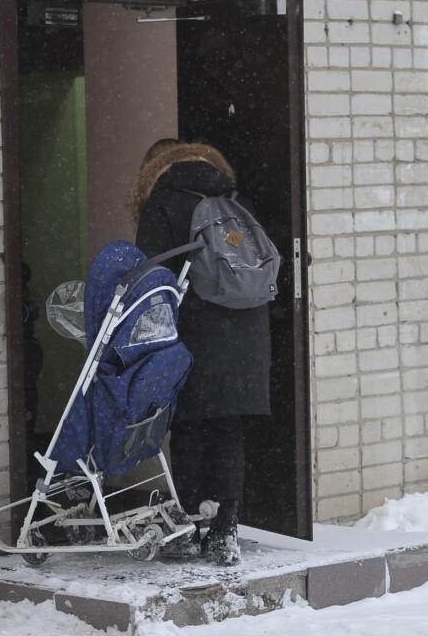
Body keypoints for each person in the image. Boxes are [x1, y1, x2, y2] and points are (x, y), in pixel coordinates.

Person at [130, 141, 272, 566]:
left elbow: (151, 277)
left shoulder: (164, 201)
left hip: (192, 333)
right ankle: (225, 530)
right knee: (229, 430)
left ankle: (189, 528)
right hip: (245, 337)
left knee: (189, 429)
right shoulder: (235, 200)